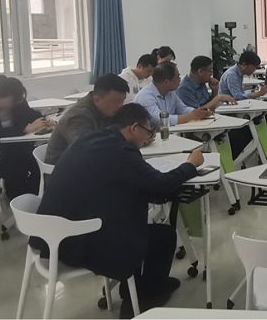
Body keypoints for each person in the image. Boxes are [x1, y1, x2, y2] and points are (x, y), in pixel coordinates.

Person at [32, 103, 204, 318]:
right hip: (79, 243)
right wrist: (190, 165)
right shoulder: (122, 150)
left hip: (53, 236)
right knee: (163, 235)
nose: (148, 138)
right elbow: (163, 184)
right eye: (148, 132)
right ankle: (145, 296)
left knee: (134, 221)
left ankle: (140, 285)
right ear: (134, 127)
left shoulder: (90, 138)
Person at [0, 76, 55, 199]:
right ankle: (16, 199)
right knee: (15, 170)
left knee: (37, 163)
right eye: (11, 99)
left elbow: (32, 115)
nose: (14, 103)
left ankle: (33, 197)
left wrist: (44, 121)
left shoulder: (18, 103)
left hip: (17, 150)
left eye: (17, 99)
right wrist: (25, 129)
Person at [46, 74, 128, 164]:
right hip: (63, 167)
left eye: (122, 100)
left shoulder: (108, 109)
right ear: (97, 100)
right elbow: (87, 149)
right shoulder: (79, 116)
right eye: (115, 101)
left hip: (86, 162)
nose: (120, 105)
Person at [219, 52, 267, 157]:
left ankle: (266, 150)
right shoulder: (232, 75)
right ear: (243, 65)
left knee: (263, 118)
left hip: (235, 107)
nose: (254, 70)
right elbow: (238, 96)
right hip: (226, 110)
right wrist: (258, 94)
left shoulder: (239, 73)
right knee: (251, 128)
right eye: (253, 67)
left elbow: (240, 94)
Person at [134, 62, 210, 127]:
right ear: (166, 82)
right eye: (177, 77)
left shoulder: (170, 93)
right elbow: (161, 120)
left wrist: (200, 112)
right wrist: (190, 116)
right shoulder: (145, 96)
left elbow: (183, 109)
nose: (179, 80)